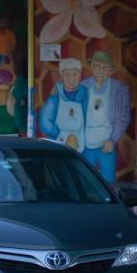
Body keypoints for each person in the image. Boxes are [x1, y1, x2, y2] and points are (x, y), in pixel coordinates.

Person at [81, 51, 130, 183]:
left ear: (111, 70)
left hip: (107, 140)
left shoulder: (119, 88)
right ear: (92, 67)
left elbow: (122, 118)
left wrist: (112, 140)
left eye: (105, 67)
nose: (101, 70)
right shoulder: (83, 86)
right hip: (86, 140)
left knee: (108, 179)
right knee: (85, 177)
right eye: (97, 66)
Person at [39, 58, 88, 152]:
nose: (71, 79)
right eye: (67, 75)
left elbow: (89, 117)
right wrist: (58, 133)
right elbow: (45, 122)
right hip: (58, 140)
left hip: (81, 141)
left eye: (74, 74)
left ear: (80, 76)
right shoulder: (56, 93)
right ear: (62, 76)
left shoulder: (85, 92)